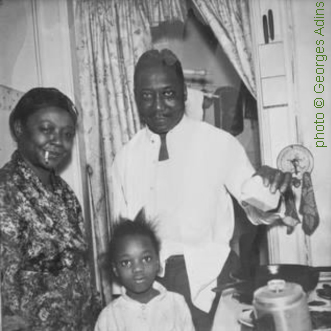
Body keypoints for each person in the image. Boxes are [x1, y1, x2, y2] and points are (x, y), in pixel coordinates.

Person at [110, 49, 292, 331]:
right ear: (135, 97)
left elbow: (260, 207)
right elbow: (120, 236)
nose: (157, 106)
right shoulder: (125, 158)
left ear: (184, 93)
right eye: (147, 96)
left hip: (213, 279)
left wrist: (273, 184)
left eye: (168, 93)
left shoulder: (218, 144)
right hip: (150, 287)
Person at [0, 87, 100, 331]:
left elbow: (81, 270)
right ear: (19, 128)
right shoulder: (5, 192)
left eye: (67, 134)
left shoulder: (65, 195)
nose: (58, 141)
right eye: (46, 129)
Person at [94, 210, 195, 331]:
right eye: (126, 262)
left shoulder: (176, 304)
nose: (137, 268)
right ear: (115, 269)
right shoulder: (109, 317)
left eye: (146, 259)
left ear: (157, 261)